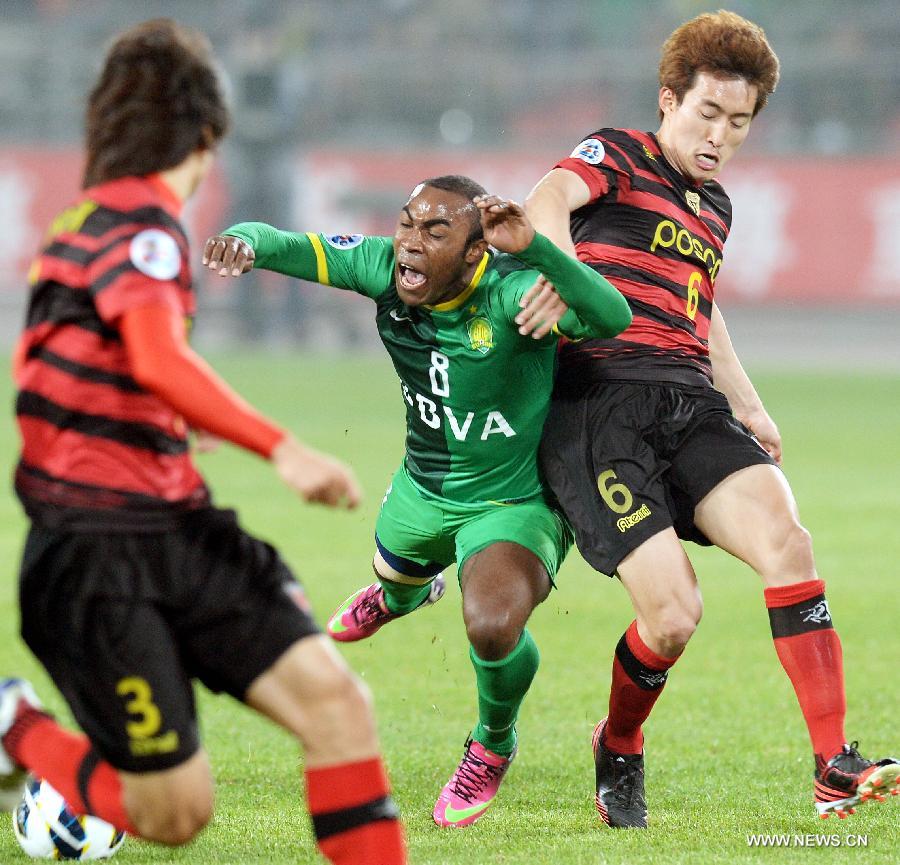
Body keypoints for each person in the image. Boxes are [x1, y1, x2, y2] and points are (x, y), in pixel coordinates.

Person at [0, 20, 408, 864]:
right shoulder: (143, 225)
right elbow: (156, 354)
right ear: (207, 136)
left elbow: (49, 365)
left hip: (174, 524)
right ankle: (17, 731)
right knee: (175, 811)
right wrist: (281, 447)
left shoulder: (79, 225)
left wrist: (158, 425)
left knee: (338, 706)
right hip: (94, 553)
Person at [522, 9, 899, 828]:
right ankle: (619, 743)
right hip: (599, 401)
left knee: (787, 539)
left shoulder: (714, 207)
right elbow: (545, 197)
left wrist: (751, 402)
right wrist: (552, 272)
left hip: (688, 399)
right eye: (707, 113)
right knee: (674, 615)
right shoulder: (617, 153)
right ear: (668, 100)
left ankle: (833, 763)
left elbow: (703, 304)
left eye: (738, 122)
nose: (720, 135)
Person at [202, 177, 632, 827]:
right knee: (395, 576)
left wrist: (541, 252)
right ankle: (403, 593)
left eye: (435, 232)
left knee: (491, 623)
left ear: (474, 253)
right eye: (407, 224)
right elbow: (278, 242)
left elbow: (613, 317)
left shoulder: (516, 291)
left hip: (511, 502)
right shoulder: (381, 263)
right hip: (422, 487)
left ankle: (492, 742)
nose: (409, 243)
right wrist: (241, 241)